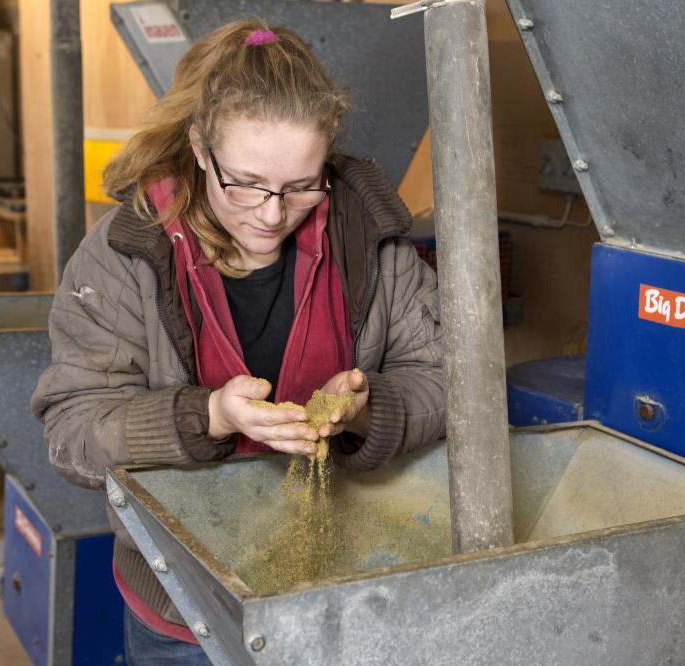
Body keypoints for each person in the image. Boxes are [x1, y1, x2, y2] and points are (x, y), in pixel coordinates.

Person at [30, 20, 445, 665]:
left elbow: (448, 380)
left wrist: (369, 409)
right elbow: (74, 435)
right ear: (199, 148)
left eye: (301, 186)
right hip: (182, 612)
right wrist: (209, 415)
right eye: (245, 183)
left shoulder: (373, 243)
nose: (272, 212)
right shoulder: (124, 256)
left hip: (343, 589)